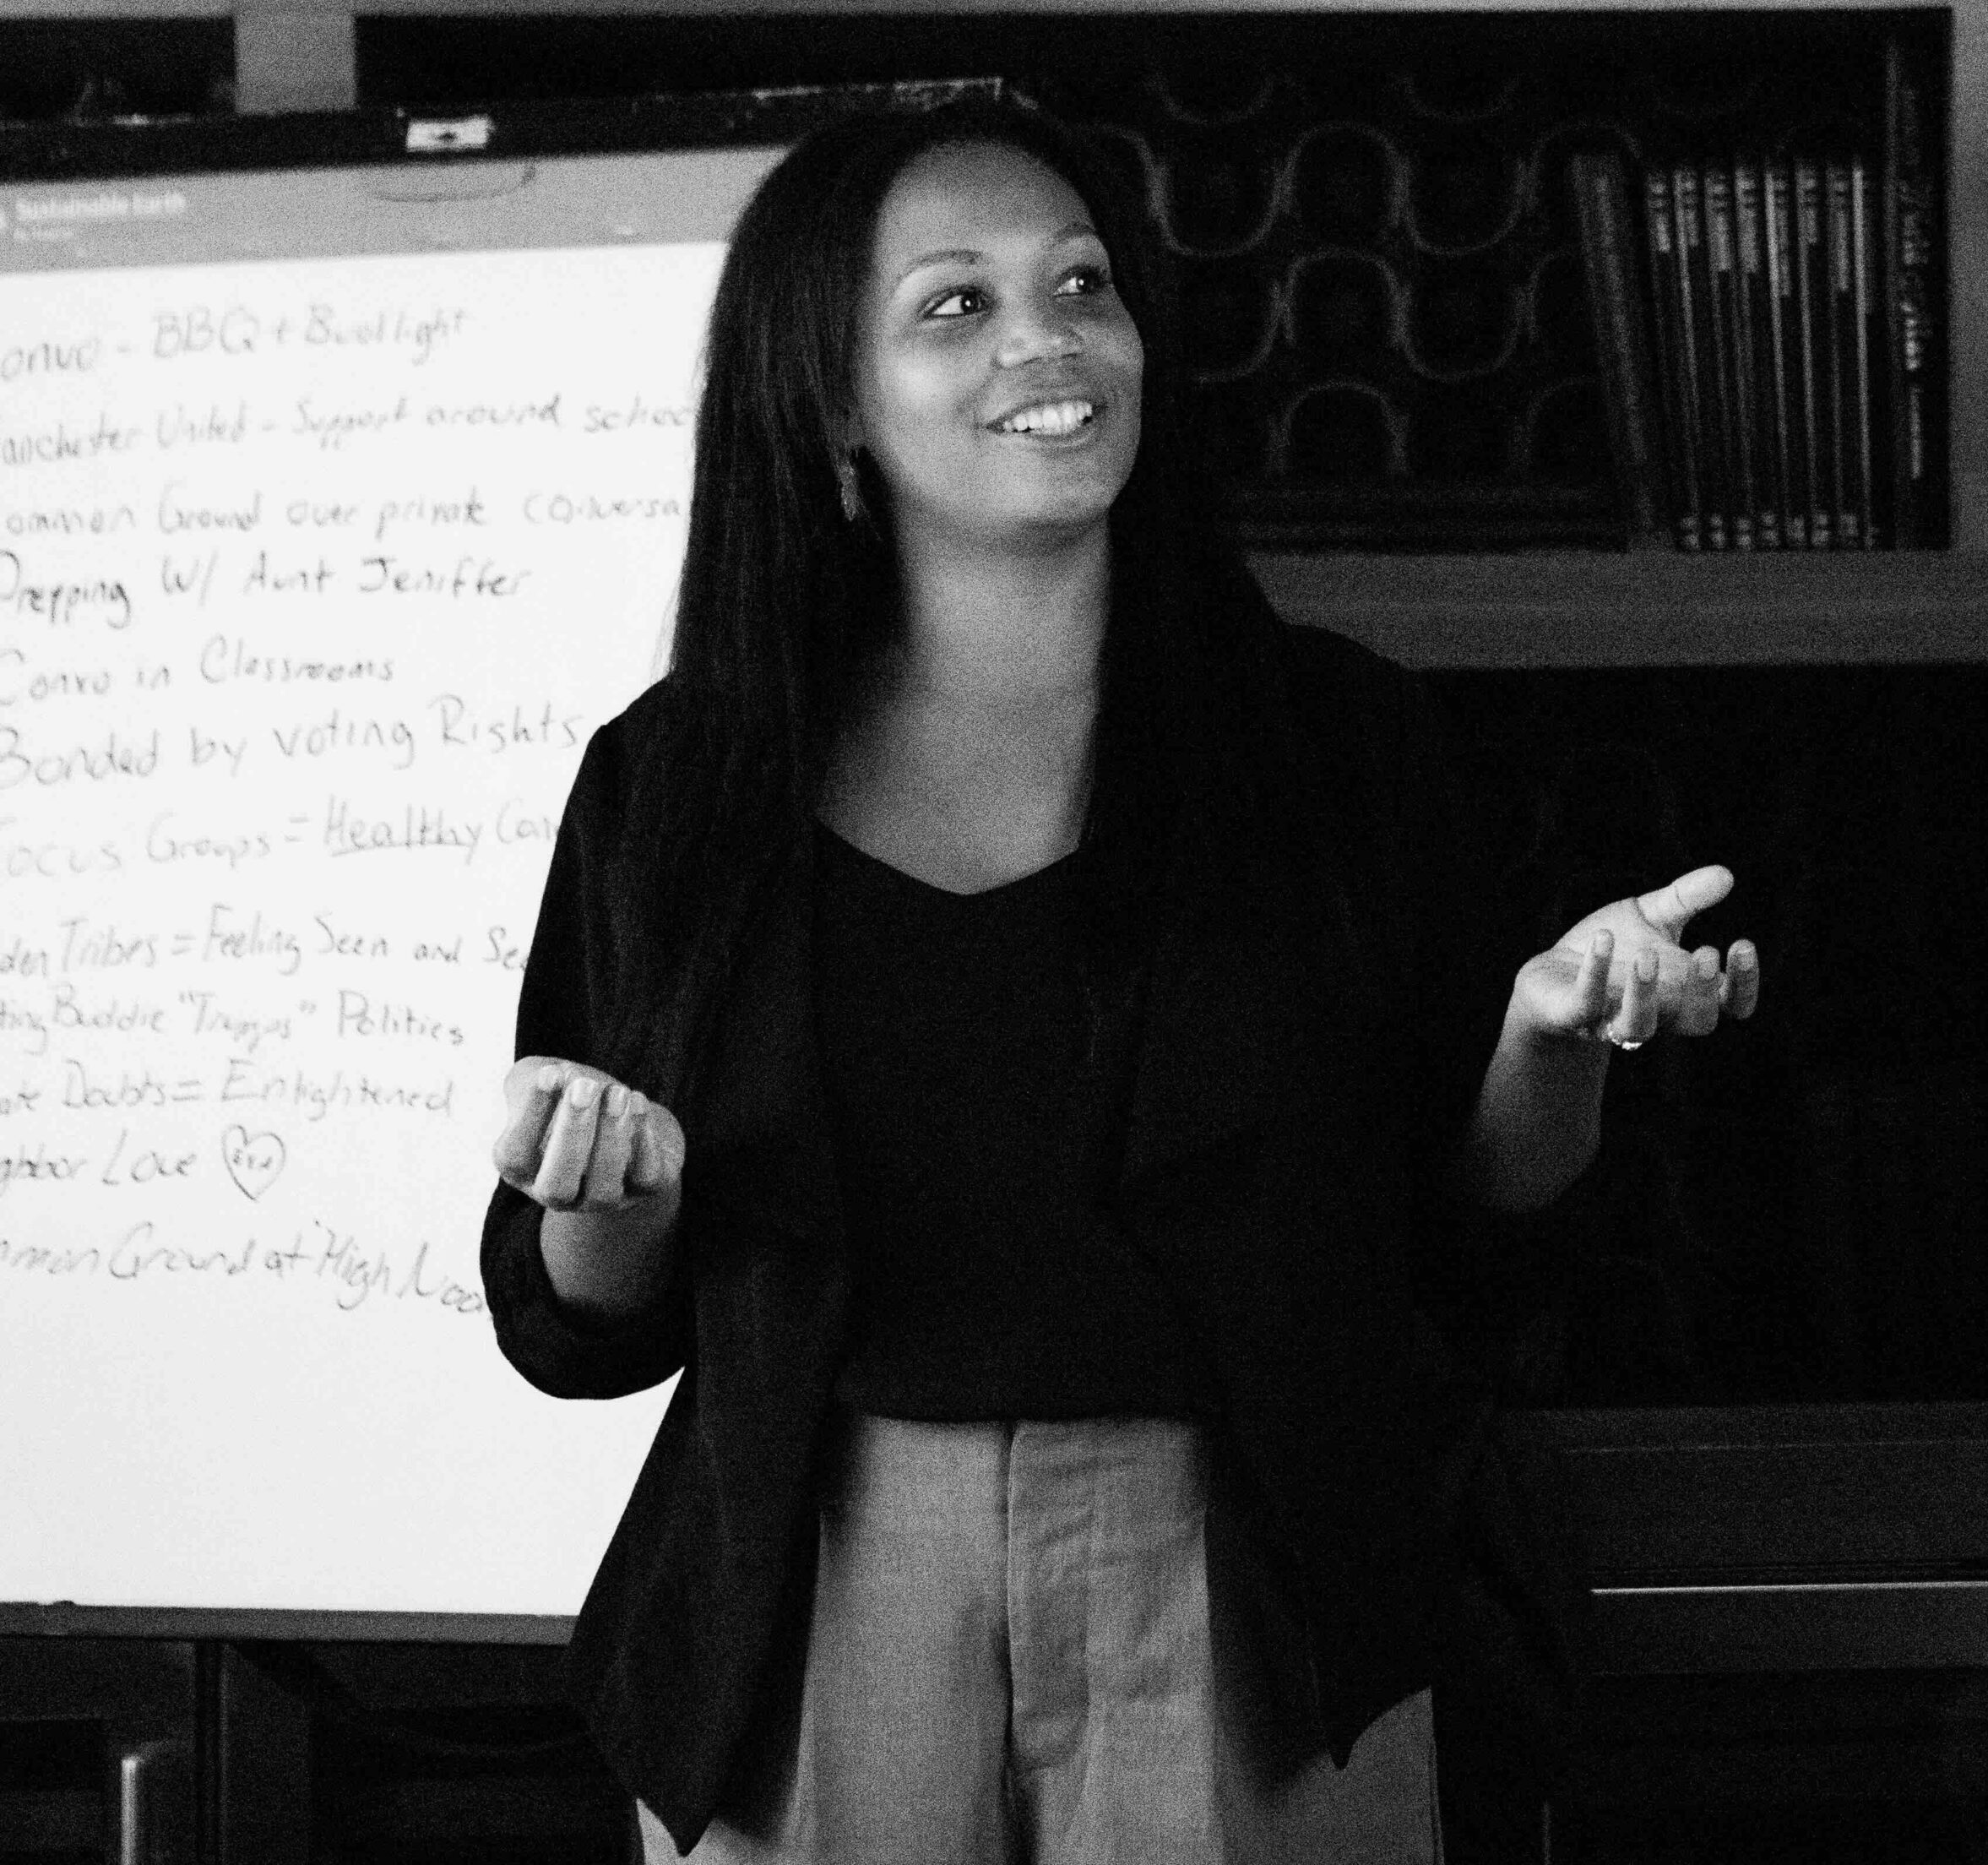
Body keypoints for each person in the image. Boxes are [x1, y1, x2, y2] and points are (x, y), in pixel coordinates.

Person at [479, 91, 1759, 1864]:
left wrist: (1555, 1035)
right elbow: (585, 1323)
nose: (1047, 338)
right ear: (832, 399)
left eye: (1082, 282)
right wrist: (602, 1186)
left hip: (1252, 1577)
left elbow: (1474, 1233)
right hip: (819, 1582)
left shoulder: (1335, 741)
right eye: (955, 303)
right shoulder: (678, 778)